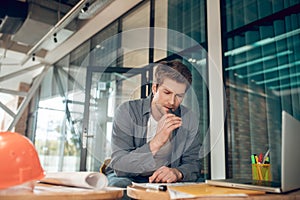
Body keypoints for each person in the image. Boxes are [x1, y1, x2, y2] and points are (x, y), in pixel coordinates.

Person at [105, 60, 201, 198]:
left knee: (201, 187)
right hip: (130, 176)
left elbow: (193, 163)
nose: (172, 102)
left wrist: (177, 173)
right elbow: (120, 166)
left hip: (167, 180)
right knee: (119, 187)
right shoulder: (127, 111)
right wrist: (156, 142)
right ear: (155, 88)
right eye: (167, 92)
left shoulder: (189, 118)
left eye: (179, 96)